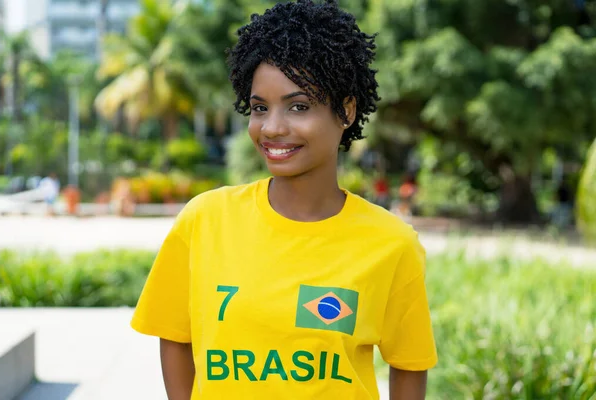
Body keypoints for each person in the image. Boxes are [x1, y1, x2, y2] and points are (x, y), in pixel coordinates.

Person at [130, 1, 437, 399]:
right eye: (260, 108)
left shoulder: (392, 243)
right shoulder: (205, 219)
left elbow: (409, 365)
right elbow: (174, 335)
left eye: (298, 106)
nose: (272, 128)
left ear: (345, 110)